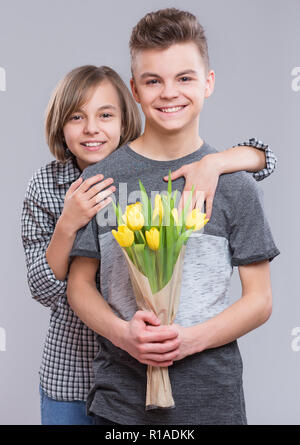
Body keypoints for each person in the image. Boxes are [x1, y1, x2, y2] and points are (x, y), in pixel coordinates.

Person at [21, 66, 272, 427]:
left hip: (141, 376)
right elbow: (44, 289)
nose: (92, 128)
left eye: (105, 115)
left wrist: (216, 162)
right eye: (76, 117)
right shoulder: (46, 185)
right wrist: (68, 223)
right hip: (76, 369)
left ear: (125, 120)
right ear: (61, 125)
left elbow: (264, 163)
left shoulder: (142, 171)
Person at [67, 8, 280, 425]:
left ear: (208, 83)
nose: (169, 93)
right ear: (134, 89)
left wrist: (189, 341)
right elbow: (78, 286)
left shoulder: (233, 184)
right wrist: (124, 336)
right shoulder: (100, 179)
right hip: (119, 406)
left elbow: (260, 300)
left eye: (184, 78)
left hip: (212, 404)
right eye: (153, 80)